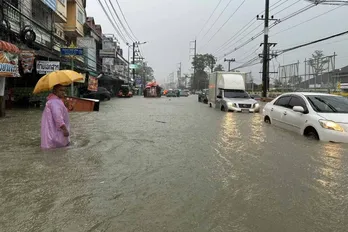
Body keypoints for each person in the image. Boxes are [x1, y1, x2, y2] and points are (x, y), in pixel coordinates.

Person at [41, 84, 70, 149]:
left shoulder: (52, 101)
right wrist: (65, 129)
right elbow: (58, 118)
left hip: (50, 132)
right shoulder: (55, 102)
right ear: (54, 91)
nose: (63, 92)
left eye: (64, 90)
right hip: (55, 135)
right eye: (60, 90)